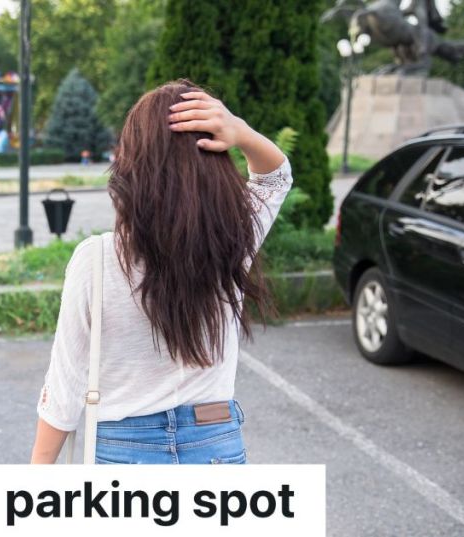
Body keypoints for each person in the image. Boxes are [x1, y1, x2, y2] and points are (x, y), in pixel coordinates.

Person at [30, 80, 292, 464]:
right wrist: (239, 130)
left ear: (131, 164)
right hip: (215, 443)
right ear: (216, 163)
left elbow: (64, 386)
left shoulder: (96, 259)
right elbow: (276, 177)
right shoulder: (231, 241)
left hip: (124, 451)